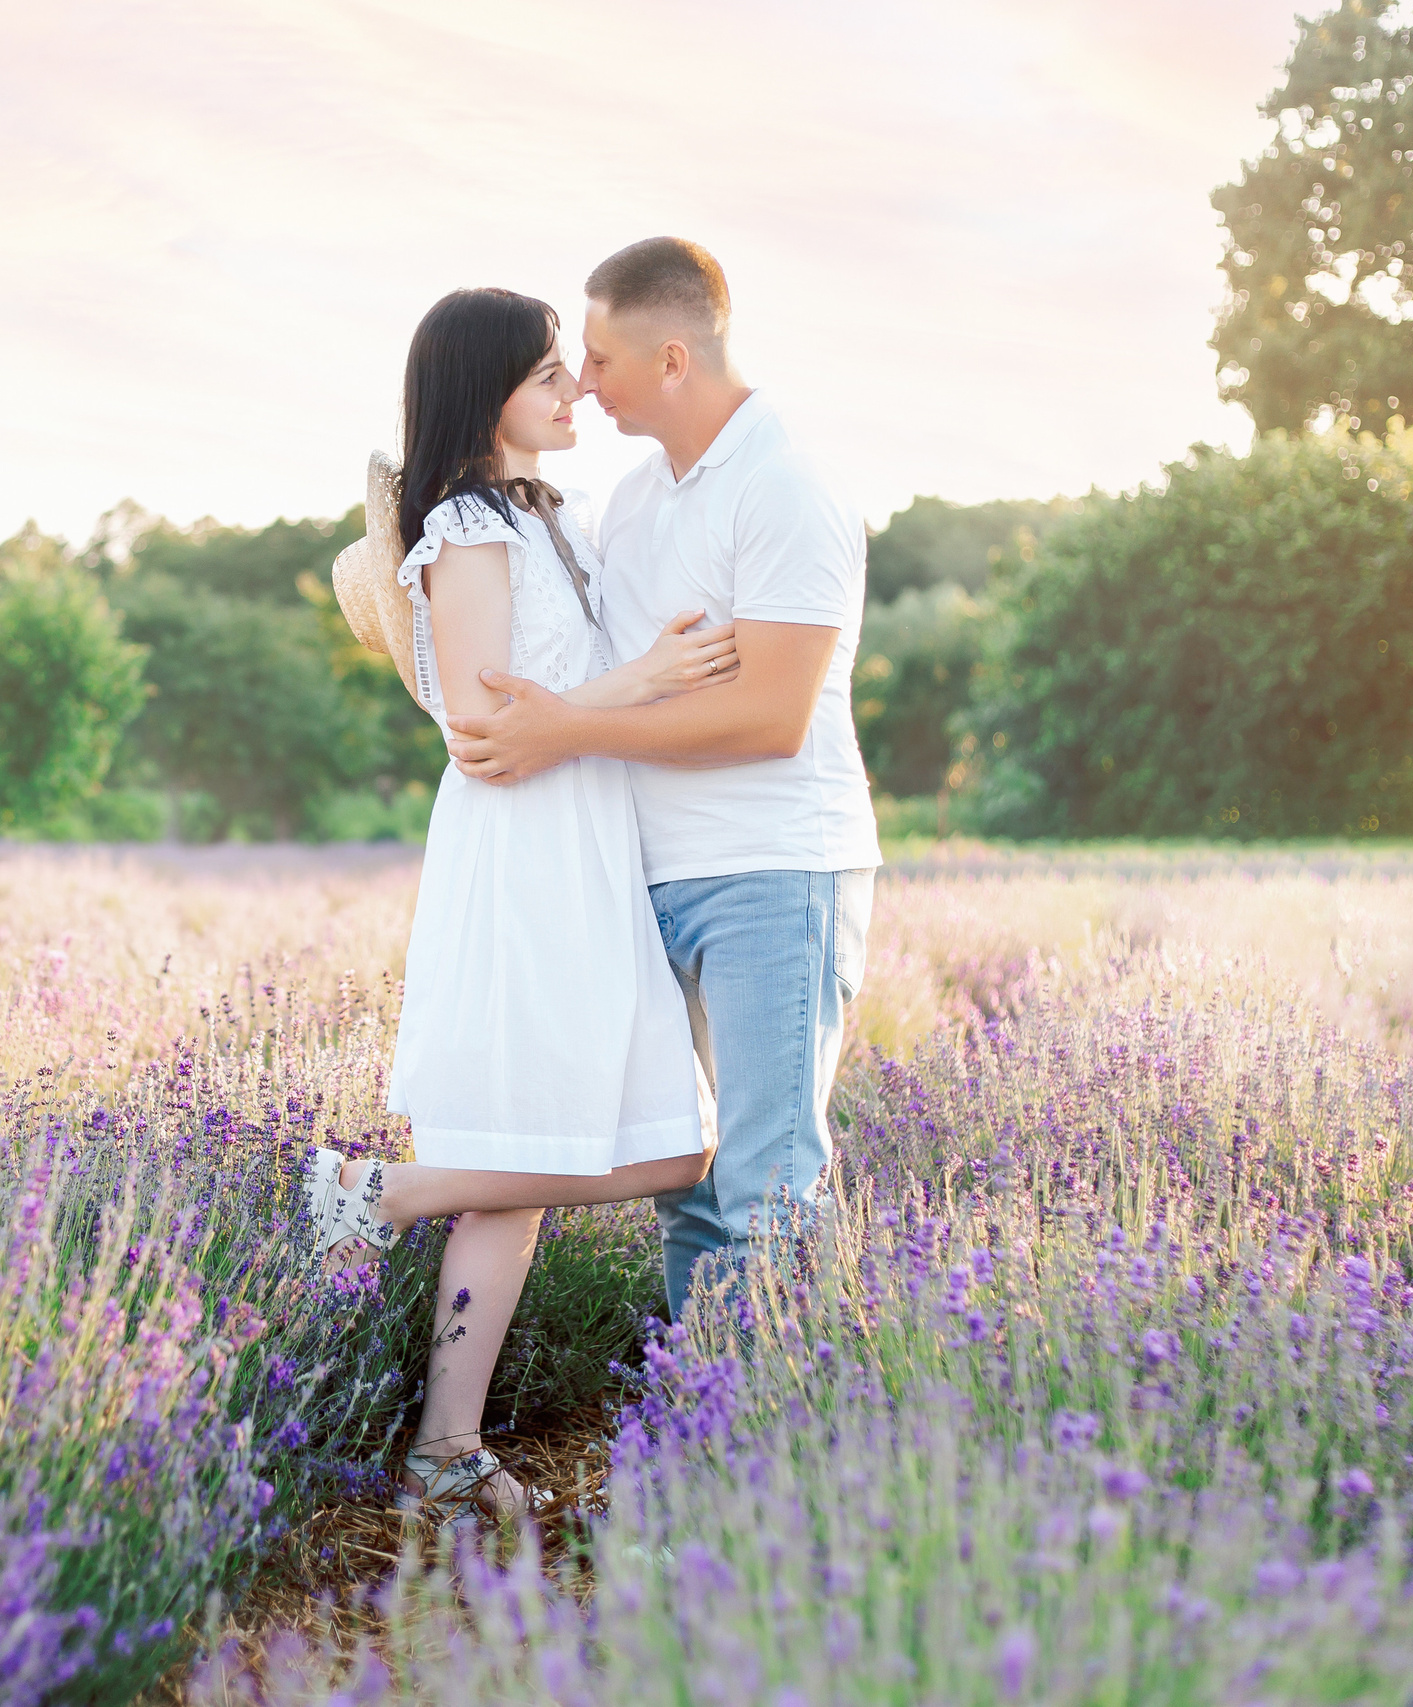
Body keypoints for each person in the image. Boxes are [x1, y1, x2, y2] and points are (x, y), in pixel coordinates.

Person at [302, 285, 740, 1518]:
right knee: (620, 1150)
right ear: (483, 391)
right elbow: (485, 731)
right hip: (526, 852)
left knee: (529, 1160)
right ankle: (379, 1201)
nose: (572, 388)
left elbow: (557, 700)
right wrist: (645, 678)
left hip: (585, 838)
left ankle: (441, 1441)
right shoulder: (463, 531)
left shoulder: (548, 518)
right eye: (546, 372)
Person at [441, 238, 879, 1321]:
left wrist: (567, 733)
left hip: (772, 870)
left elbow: (771, 717)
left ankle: (777, 1412)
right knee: (691, 1190)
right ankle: (702, 1406)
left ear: (672, 359)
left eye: (599, 359)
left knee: (766, 1186)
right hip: (650, 878)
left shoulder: (786, 484)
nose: (584, 382)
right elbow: (575, 661)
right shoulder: (632, 500)